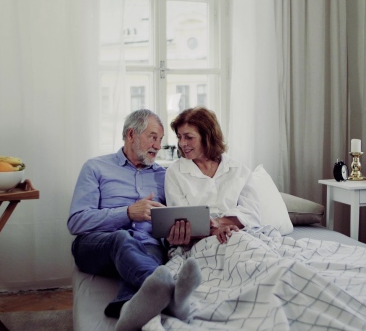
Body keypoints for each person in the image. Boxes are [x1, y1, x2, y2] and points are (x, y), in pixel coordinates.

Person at [67, 109, 201, 331]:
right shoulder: (95, 167)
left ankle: (125, 307)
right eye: (153, 137)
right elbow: (76, 222)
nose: (158, 146)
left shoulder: (164, 176)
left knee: (145, 253)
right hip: (98, 245)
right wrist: (128, 213)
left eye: (160, 140)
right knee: (121, 238)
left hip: (147, 246)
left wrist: (176, 233)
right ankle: (173, 294)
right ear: (131, 134)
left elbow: (170, 219)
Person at [165, 107, 262, 245]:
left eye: (189, 137)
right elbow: (183, 221)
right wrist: (214, 231)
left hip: (240, 235)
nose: (182, 143)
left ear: (207, 137)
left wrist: (220, 223)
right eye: (179, 137)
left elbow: (252, 214)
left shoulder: (238, 170)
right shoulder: (175, 173)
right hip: (200, 241)